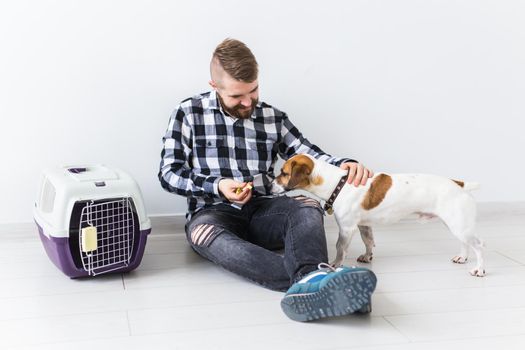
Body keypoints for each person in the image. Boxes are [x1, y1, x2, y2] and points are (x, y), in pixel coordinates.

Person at [159, 38, 377, 322]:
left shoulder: (273, 117)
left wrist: (344, 164)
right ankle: (316, 281)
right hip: (212, 213)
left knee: (308, 206)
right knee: (203, 235)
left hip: (264, 209)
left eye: (254, 90)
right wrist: (217, 186)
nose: (248, 102)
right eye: (237, 96)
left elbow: (308, 154)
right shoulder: (187, 113)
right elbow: (168, 173)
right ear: (215, 86)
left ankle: (316, 283)